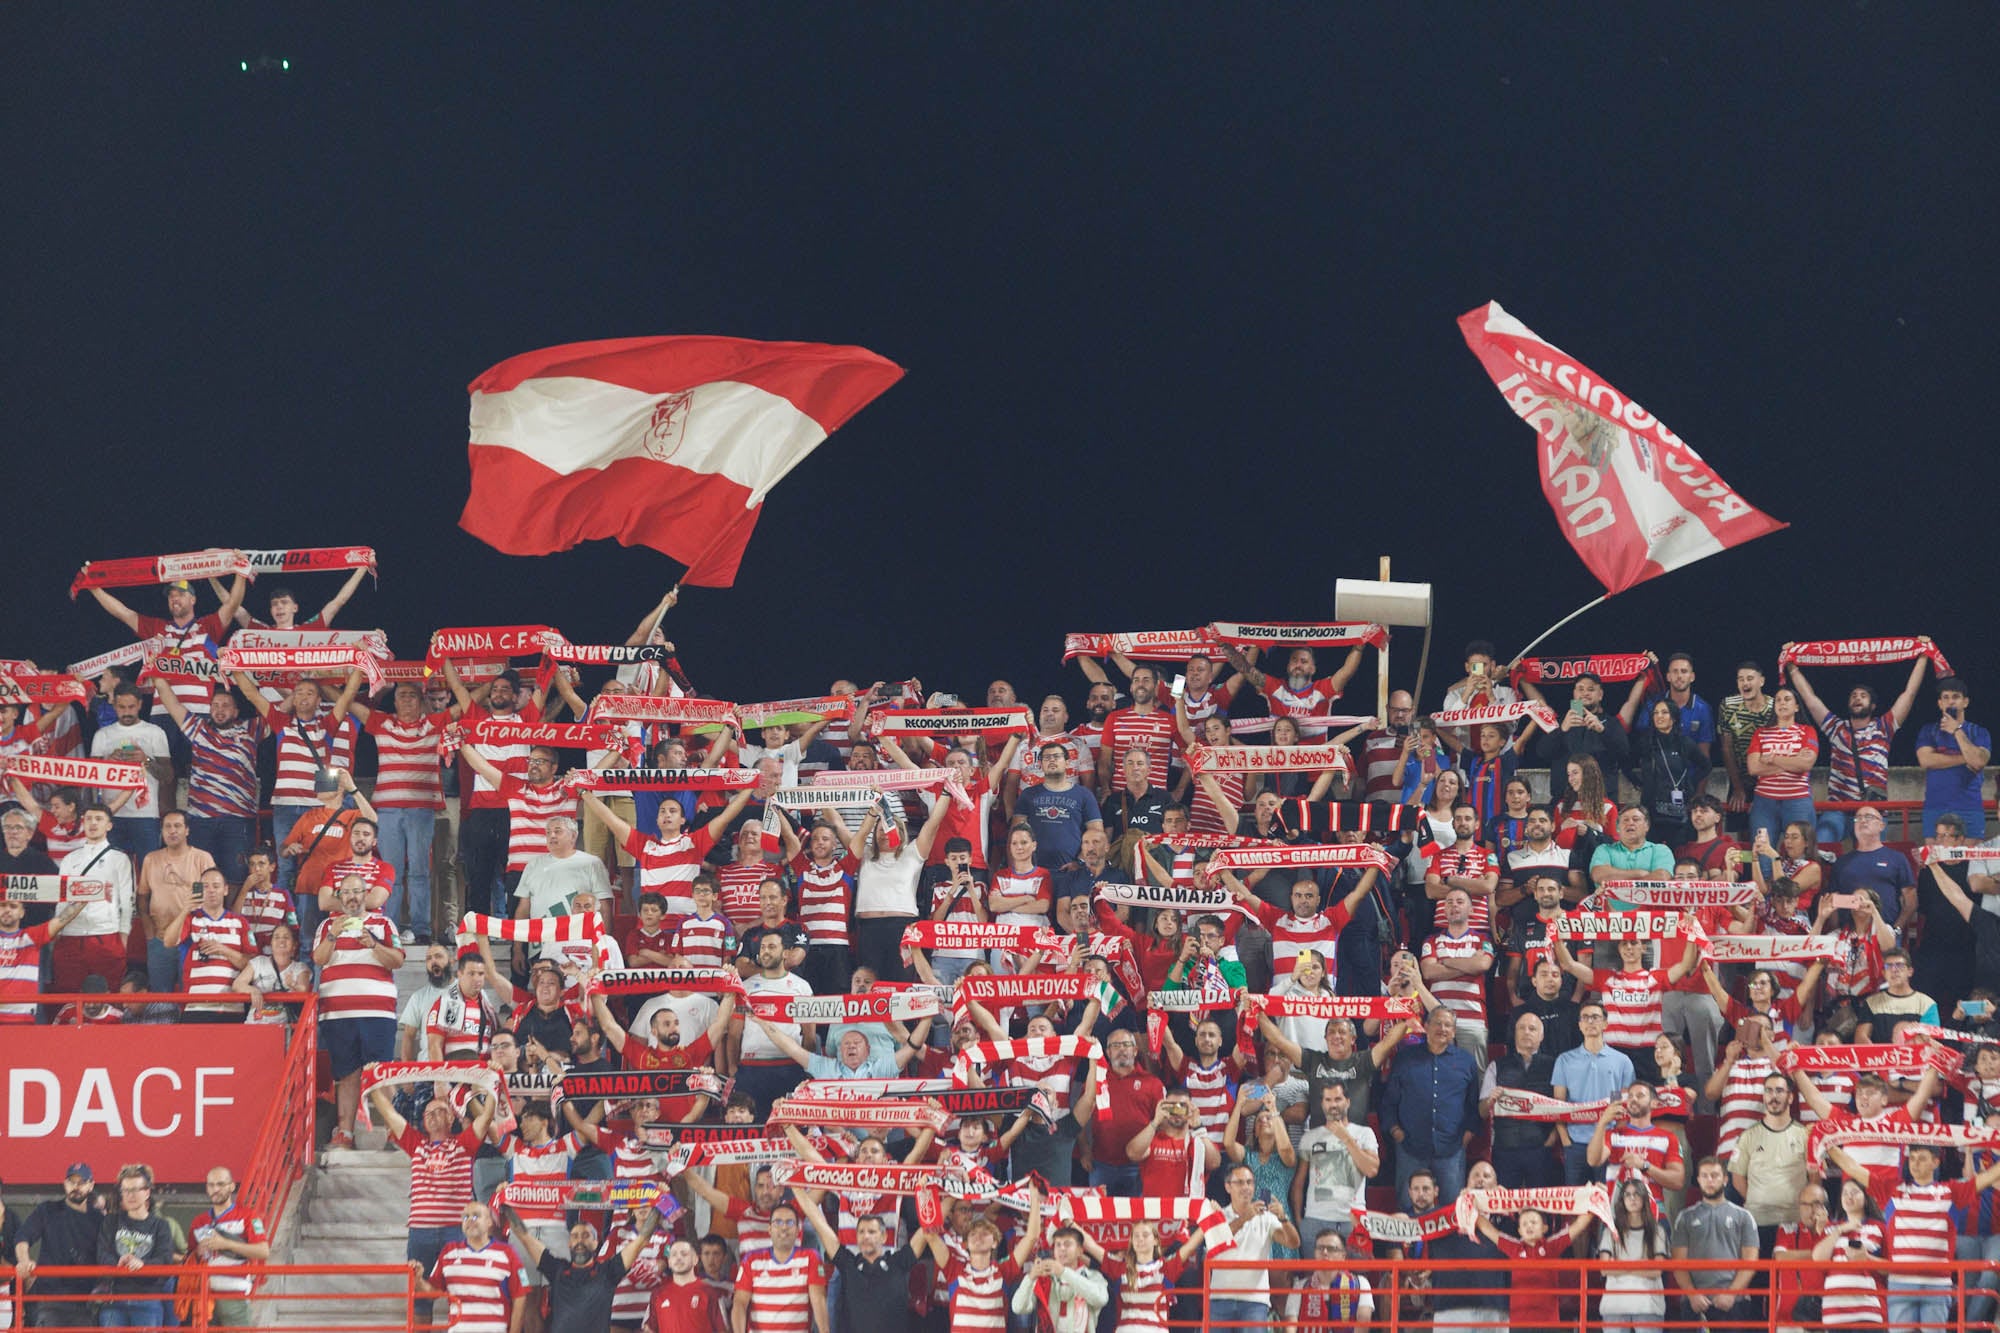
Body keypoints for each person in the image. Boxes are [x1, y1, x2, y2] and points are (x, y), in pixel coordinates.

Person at [368, 1073, 500, 1290]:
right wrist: (373, 1085)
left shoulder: (464, 1143)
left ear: (451, 1118)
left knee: (459, 1291)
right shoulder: (416, 1143)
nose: (432, 1115)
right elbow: (389, 1114)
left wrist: (493, 1083)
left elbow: (486, 1118)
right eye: (428, 1112)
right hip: (420, 1231)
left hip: (456, 1230)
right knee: (420, 1295)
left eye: (439, 1111)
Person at [1787, 645, 1930, 843]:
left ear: (1872, 706)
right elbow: (1810, 700)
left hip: (1873, 809)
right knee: (1821, 844)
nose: (1857, 698)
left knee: (1871, 859)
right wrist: (1792, 666)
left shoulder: (1883, 727)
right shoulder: (1836, 728)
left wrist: (1923, 657)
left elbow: (1909, 693)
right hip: (1838, 810)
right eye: (1854, 696)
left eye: (1863, 696)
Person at [314, 873, 406, 1148]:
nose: (352, 897)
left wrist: (374, 945)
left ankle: (394, 1132)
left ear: (366, 895)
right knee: (347, 1074)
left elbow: (398, 960)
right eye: (347, 892)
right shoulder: (327, 925)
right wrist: (333, 935)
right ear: (340, 897)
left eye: (357, 891)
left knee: (382, 1072)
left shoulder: (383, 923)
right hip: (337, 1014)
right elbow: (319, 959)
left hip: (377, 1013)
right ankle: (346, 1133)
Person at [1380, 1005, 1481, 1208]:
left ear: (1453, 1031)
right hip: (1410, 1147)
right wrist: (1395, 1130)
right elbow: (1389, 1101)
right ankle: (1408, 1242)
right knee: (1407, 1209)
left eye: (1447, 1025)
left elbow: (1473, 1104)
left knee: (1452, 1211)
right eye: (1437, 1023)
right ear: (1426, 1026)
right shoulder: (1405, 1059)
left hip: (1451, 1148)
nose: (1442, 1028)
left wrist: (1467, 1134)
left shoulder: (1466, 1062)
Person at [1550, 1002, 1635, 1184]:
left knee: (1608, 1201)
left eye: (1595, 1017)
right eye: (1585, 1018)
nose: (1590, 1022)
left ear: (1605, 1023)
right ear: (1579, 1025)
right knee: (1577, 1204)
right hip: (1575, 1142)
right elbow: (1558, 1105)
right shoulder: (1565, 1060)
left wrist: (1616, 1137)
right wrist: (1565, 1140)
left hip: (1607, 1141)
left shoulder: (1621, 1061)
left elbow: (1620, 1102)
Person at [1669, 1156, 1761, 1326]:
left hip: (1734, 1303)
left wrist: (1731, 1294)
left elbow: (1751, 1262)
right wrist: (1692, 1295)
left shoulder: (1744, 1216)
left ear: (1725, 1180)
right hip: (1694, 1303)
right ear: (1698, 1180)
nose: (1709, 1180)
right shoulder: (1685, 1218)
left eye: (1714, 1175)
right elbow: (1677, 1263)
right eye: (1704, 1176)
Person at [87, 683, 173, 861]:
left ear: (140, 705)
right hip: (111, 813)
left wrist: (146, 760)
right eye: (121, 707)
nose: (127, 712)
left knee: (148, 870)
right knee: (110, 869)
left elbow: (168, 775)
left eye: (131, 707)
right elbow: (90, 778)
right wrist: (108, 762)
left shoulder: (155, 733)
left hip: (146, 814)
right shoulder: (102, 735)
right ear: (114, 706)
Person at [1209, 1163, 1298, 1330]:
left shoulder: (1266, 1217)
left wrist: (1283, 1218)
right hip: (1220, 1299)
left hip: (1255, 1301)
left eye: (1250, 1182)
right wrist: (1245, 1218)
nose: (1246, 1187)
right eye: (1240, 1182)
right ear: (1228, 1187)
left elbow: (1293, 1243)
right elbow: (1216, 1242)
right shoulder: (1218, 1214)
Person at [1728, 1072, 1809, 1255]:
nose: (1774, 1096)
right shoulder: (1748, 1135)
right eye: (1769, 1091)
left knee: (1789, 1282)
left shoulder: (1804, 1135)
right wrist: (1760, 1199)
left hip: (1793, 1222)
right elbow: (1737, 1179)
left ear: (1790, 1097)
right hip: (1758, 1222)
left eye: (1780, 1091)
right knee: (1759, 1281)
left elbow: (1815, 1178)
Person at [13, 1162, 102, 1329]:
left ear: (91, 1185)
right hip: (49, 1300)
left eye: (82, 1182)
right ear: (64, 1184)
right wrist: (24, 1261)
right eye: (71, 1182)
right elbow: (22, 1237)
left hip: (84, 1303)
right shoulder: (47, 1210)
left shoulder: (99, 1220)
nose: (76, 1186)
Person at [95, 1163, 181, 1329]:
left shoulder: (160, 1225)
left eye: (135, 1190)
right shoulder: (111, 1221)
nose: (130, 1195)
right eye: (126, 1190)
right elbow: (102, 1254)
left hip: (148, 1299)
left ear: (147, 1192)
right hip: (114, 1298)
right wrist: (119, 1262)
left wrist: (143, 1265)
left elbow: (165, 1259)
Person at [1292, 1083, 1378, 1248]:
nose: (1333, 1105)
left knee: (1357, 1274)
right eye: (1328, 1100)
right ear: (1322, 1104)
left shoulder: (1364, 1133)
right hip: (1316, 1219)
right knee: (1316, 1275)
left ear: (1348, 1102)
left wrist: (1346, 1138)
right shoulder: (1310, 1137)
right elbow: (1299, 1183)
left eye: (1338, 1099)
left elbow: (1371, 1170)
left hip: (1353, 1219)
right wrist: (1299, 1220)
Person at [726, 1200, 827, 1333]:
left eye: (790, 1222)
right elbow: (740, 1303)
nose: (784, 1227)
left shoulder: (811, 1258)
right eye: (778, 1222)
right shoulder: (751, 1260)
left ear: (798, 1230)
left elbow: (818, 1301)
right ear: (769, 1229)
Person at [188, 1166, 269, 1331]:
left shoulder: (248, 1216)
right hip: (204, 1296)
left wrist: (227, 1244)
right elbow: (189, 1256)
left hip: (235, 1294)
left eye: (220, 1184)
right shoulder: (199, 1221)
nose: (215, 1189)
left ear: (232, 1186)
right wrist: (197, 1253)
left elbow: (263, 1251)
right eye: (211, 1185)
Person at [1746, 686, 1819, 865]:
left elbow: (1805, 764)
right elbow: (1753, 768)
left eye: (1787, 699)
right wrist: (1791, 762)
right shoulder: (1761, 733)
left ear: (1796, 707)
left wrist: (1772, 759)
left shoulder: (1807, 731)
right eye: (1778, 700)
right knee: (1762, 853)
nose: (1782, 703)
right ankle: (1764, 891)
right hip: (1764, 803)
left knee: (1800, 854)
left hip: (1797, 801)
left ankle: (1796, 892)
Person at [1627, 695, 1710, 849]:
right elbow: (1626, 763)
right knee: (1651, 853)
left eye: (1664, 712)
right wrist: (1639, 782)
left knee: (1679, 854)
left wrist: (1690, 783)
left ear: (1673, 717)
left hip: (1679, 811)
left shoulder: (1685, 743)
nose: (1659, 716)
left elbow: (1706, 765)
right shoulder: (1645, 743)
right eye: (1656, 713)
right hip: (1652, 810)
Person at [1915, 675, 1991, 836]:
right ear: (1939, 703)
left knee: (1972, 860)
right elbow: (1926, 760)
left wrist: (1956, 731)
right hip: (1935, 807)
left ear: (1965, 702)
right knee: (1935, 859)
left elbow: (1978, 762)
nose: (1951, 702)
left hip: (1969, 806)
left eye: (1956, 697)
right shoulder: (1928, 730)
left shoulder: (1979, 732)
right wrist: (1966, 758)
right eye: (1946, 697)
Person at [1812, 1177, 1888, 1329]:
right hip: (1835, 1312)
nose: (1849, 1196)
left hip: (1869, 1310)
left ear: (1866, 1199)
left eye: (1854, 1192)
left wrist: (1866, 1258)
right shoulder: (1830, 1229)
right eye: (1845, 1193)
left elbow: (1890, 1268)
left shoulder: (1880, 1227)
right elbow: (1818, 1258)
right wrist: (1840, 1230)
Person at [1596, 1177, 1670, 1333]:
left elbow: (1657, 1270)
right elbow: (1604, 1268)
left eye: (1637, 1194)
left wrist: (1620, 1265)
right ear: (1622, 1200)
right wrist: (1641, 1265)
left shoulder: (1658, 1231)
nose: (1632, 1198)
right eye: (1628, 1195)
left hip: (1648, 1302)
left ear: (1644, 1198)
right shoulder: (1611, 1231)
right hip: (1616, 1301)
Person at [1009, 1224, 1107, 1333]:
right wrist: (1031, 1277)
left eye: (1067, 1244)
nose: (1062, 1249)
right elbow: (1018, 1307)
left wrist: (1063, 1272)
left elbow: (1100, 1299)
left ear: (1080, 1250)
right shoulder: (1043, 1278)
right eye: (1058, 1245)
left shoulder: (1093, 1276)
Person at [1717, 662, 1777, 822]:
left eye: (1750, 678)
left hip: (1769, 780)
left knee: (1766, 830)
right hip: (1739, 779)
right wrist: (1737, 788)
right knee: (1739, 830)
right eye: (1741, 679)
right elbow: (1726, 748)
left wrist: (1763, 789)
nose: (1745, 683)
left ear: (1762, 681)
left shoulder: (1775, 707)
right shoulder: (1728, 706)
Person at [648, 1239, 728, 1333]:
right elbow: (649, 1329)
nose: (678, 1258)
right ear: (669, 1262)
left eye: (684, 1254)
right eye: (674, 1254)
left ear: (695, 1260)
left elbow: (723, 1330)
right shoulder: (657, 1295)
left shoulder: (711, 1293)